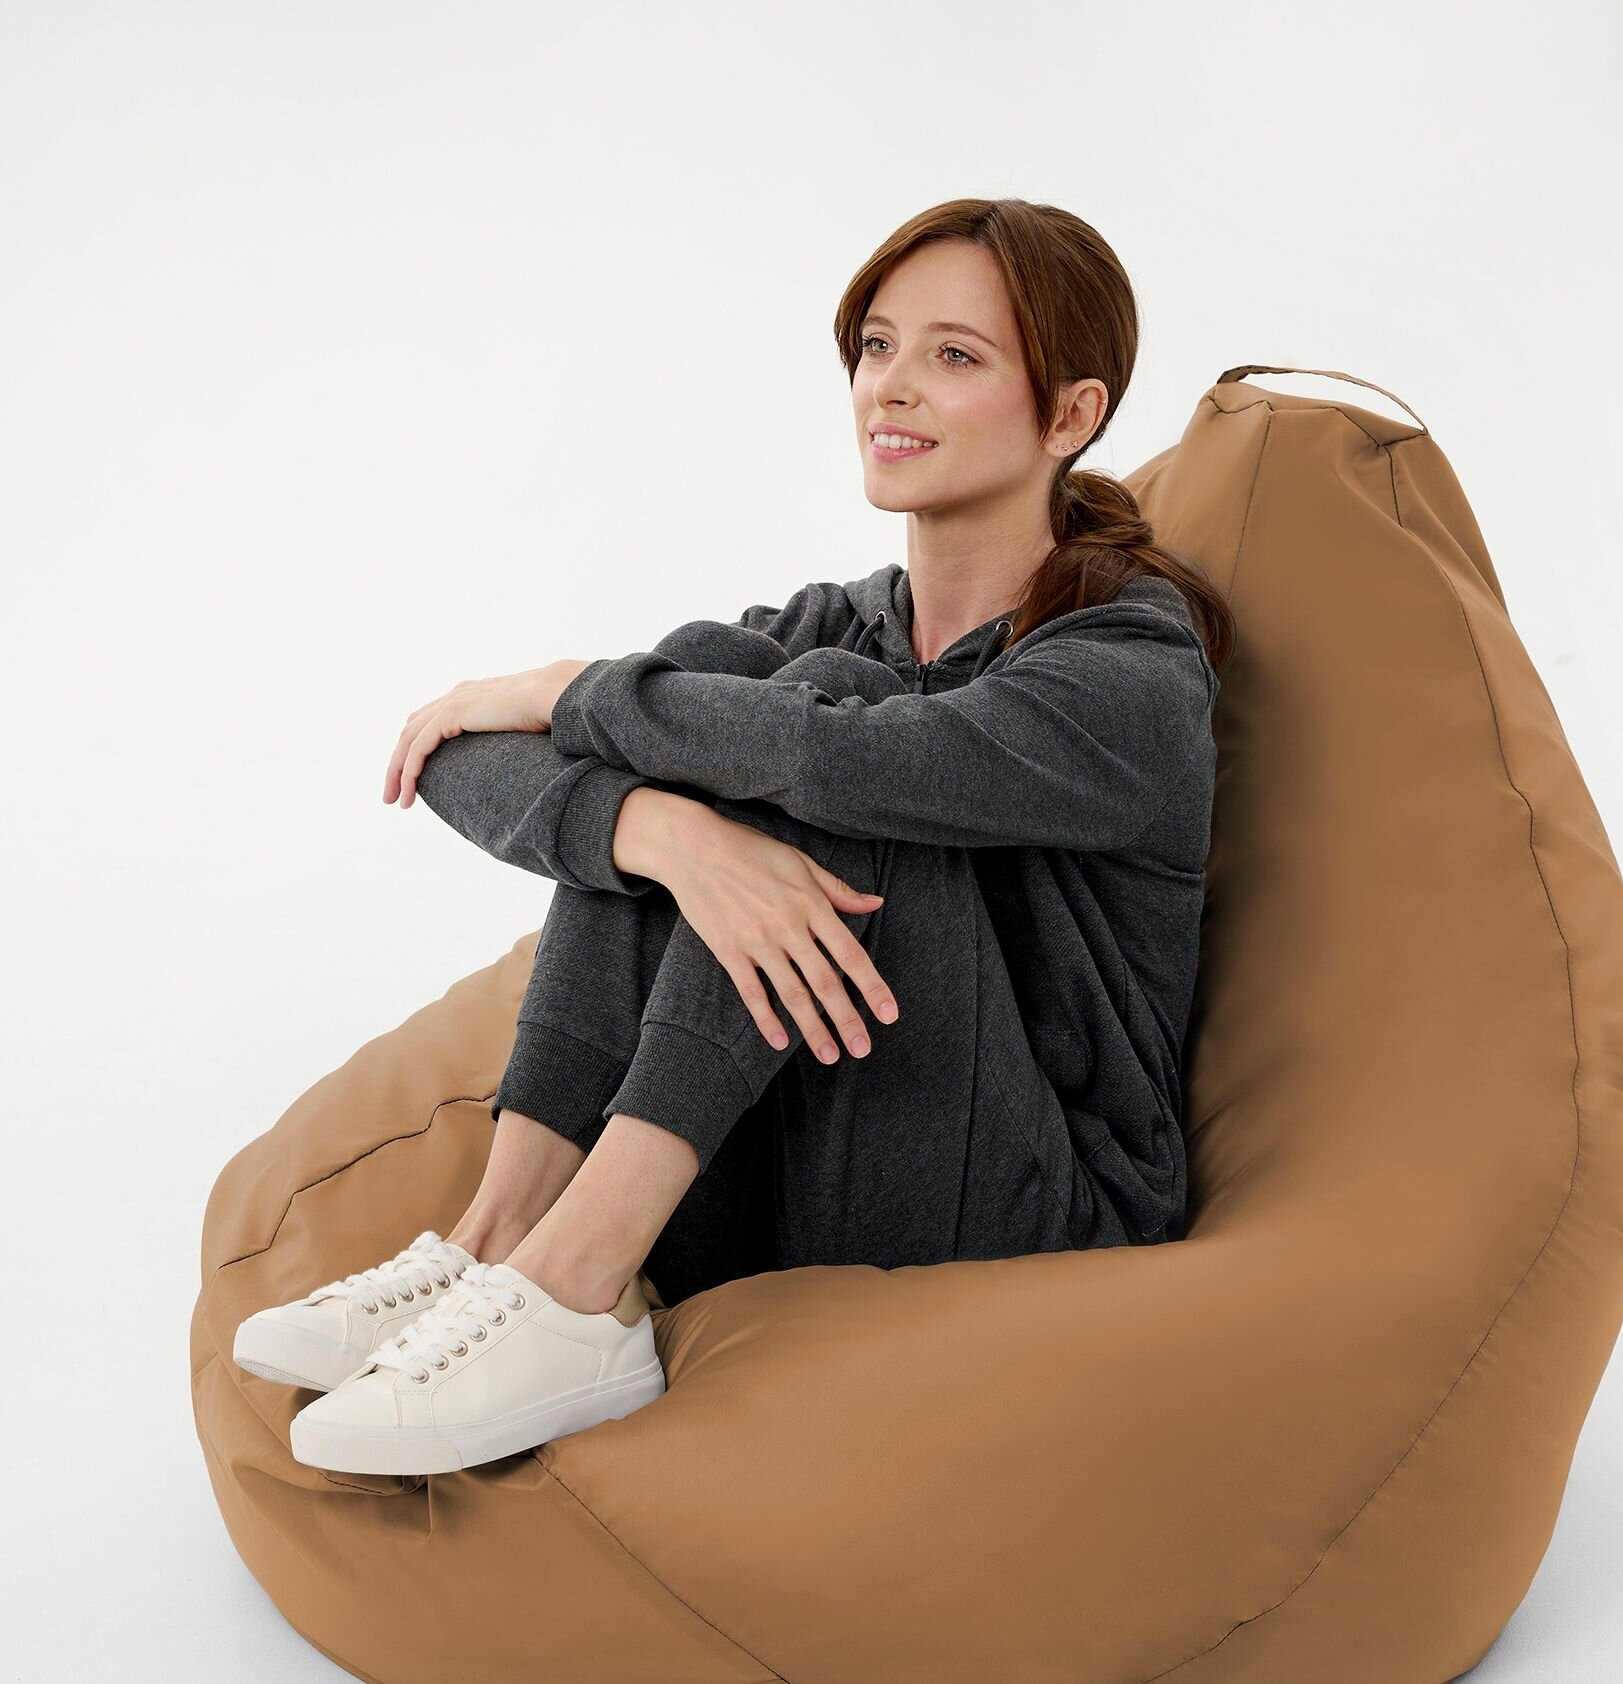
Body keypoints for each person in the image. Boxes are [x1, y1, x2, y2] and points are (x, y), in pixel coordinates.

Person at [234, 196, 1235, 1478]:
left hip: (1037, 1219)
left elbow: (844, 758)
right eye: (876, 346)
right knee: (714, 726)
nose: (892, 387)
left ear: (1070, 416)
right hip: (788, 1172)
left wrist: (572, 687)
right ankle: (500, 1238)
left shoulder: (1129, 668)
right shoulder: (838, 620)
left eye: (955, 355)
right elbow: (460, 762)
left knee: (818, 726)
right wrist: (666, 837)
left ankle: (578, 1285)